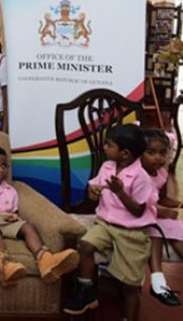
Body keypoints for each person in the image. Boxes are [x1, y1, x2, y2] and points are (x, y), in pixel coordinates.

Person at [63, 125, 157, 320]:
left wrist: (120, 191)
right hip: (106, 224)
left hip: (132, 232)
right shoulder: (107, 166)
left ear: (125, 153)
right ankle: (86, 290)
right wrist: (93, 192)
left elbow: (138, 211)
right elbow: (95, 187)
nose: (104, 147)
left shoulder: (142, 178)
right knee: (86, 245)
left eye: (109, 145)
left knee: (130, 286)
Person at [0, 146, 78, 288]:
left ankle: (45, 259)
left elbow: (14, 212)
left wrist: (14, 218)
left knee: (27, 226)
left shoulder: (10, 190)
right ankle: (5, 264)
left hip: (4, 220)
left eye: (4, 165)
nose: (1, 170)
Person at [141, 130, 183, 306]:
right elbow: (140, 203)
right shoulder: (138, 175)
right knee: (157, 230)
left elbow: (162, 198)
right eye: (151, 152)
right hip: (140, 216)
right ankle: (158, 280)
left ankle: (159, 282)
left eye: (163, 153)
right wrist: (162, 212)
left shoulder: (162, 175)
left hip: (154, 214)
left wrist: (179, 205)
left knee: (175, 226)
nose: (158, 157)